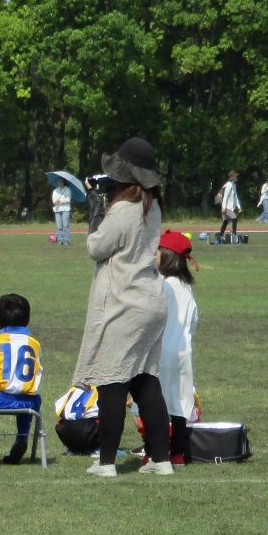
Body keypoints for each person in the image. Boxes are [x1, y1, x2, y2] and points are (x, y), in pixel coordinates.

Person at [74, 137, 172, 478]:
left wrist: (96, 207)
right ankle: (161, 458)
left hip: (124, 304)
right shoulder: (152, 207)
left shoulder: (123, 210)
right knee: (146, 381)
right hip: (150, 300)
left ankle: (106, 462)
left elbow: (96, 247)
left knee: (111, 383)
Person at [0, 293, 44, 465]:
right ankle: (22, 437)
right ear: (27, 320)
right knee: (31, 396)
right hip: (27, 403)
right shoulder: (34, 343)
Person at [156, 230, 200, 465]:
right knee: (180, 402)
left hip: (161, 350)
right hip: (183, 351)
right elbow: (193, 320)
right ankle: (179, 452)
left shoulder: (162, 286)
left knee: (156, 402)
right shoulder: (186, 287)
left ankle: (156, 450)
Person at [217, 170, 241, 240]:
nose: (237, 177)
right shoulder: (229, 185)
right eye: (236, 176)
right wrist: (223, 207)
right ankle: (234, 235)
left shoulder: (234, 185)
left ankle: (220, 236)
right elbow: (225, 196)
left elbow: (235, 196)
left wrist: (238, 206)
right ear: (232, 177)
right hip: (227, 207)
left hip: (230, 207)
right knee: (234, 219)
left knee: (225, 222)